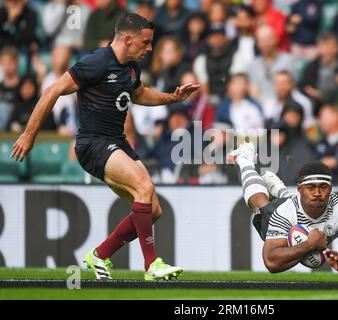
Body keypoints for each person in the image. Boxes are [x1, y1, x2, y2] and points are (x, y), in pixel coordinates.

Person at [10, 13, 200, 281]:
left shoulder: (132, 67)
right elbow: (52, 91)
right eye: (145, 43)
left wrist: (173, 97)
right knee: (143, 188)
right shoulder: (96, 62)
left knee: (153, 208)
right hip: (92, 144)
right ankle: (151, 265)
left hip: (116, 142)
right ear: (127, 39)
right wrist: (30, 135)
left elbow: (140, 93)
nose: (149, 49)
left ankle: (100, 254)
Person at [227, 145, 338, 273]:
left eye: (323, 187)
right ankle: (245, 159)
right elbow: (271, 263)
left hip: (297, 207)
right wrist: (309, 245)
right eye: (311, 187)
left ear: (330, 189)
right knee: (260, 205)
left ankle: (278, 188)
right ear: (299, 189)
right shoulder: (283, 212)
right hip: (289, 214)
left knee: (304, 201)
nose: (317, 193)